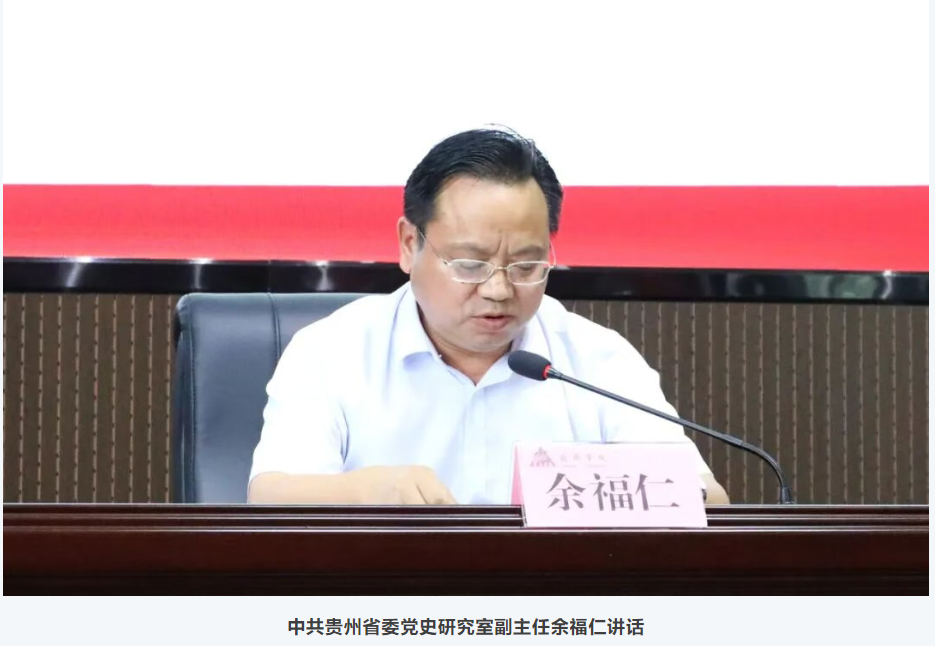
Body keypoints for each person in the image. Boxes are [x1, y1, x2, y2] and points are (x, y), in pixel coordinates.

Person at [247, 127, 729, 505]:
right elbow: (270, 495)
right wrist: (368, 492)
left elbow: (707, 500)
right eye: (470, 264)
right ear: (410, 244)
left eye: (525, 265)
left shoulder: (596, 360)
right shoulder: (332, 351)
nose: (498, 290)